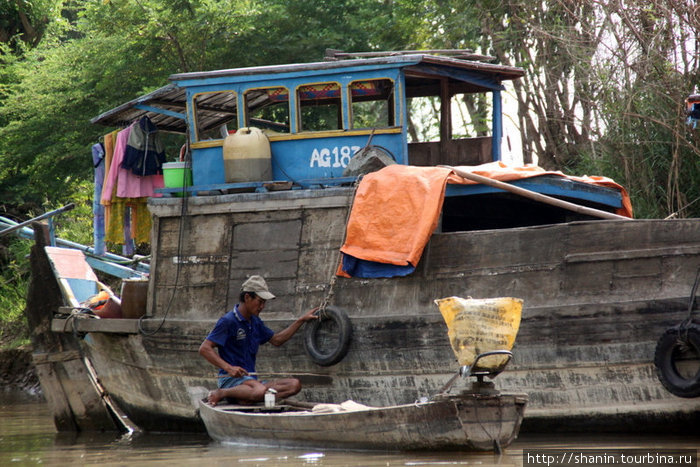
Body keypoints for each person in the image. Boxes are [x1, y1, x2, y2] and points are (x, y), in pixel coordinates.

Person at [199, 275, 318, 406]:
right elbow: (205, 348)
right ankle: (223, 393)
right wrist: (229, 368)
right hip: (231, 380)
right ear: (247, 297)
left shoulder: (255, 322)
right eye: (260, 301)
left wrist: (301, 320)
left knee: (294, 385)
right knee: (261, 390)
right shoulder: (228, 321)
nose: (262, 306)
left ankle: (248, 397)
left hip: (252, 383)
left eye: (264, 303)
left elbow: (277, 340)